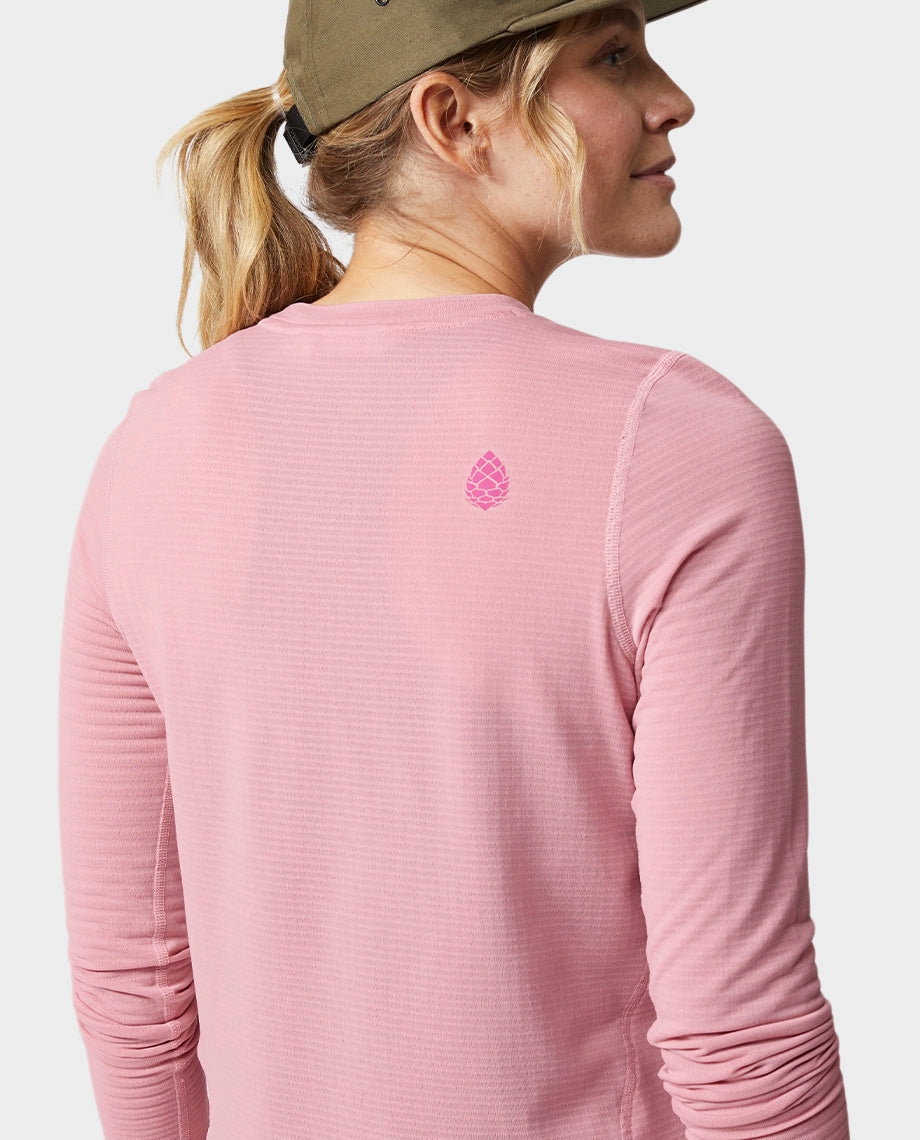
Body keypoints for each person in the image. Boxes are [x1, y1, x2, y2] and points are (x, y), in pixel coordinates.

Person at [57, 1, 850, 1137]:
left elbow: (134, 993)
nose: (671, 100)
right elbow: (738, 1030)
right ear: (455, 120)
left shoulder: (153, 448)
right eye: (613, 57)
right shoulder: (673, 447)